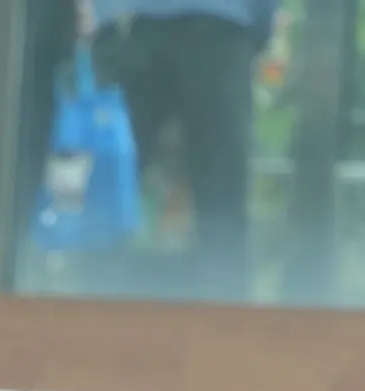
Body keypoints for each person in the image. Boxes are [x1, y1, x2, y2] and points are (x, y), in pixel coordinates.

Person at [80, 0, 277, 301]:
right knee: (221, 204)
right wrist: (256, 27)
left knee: (109, 193)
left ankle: (88, 311)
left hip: (128, 25)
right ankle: (226, 317)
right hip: (218, 26)